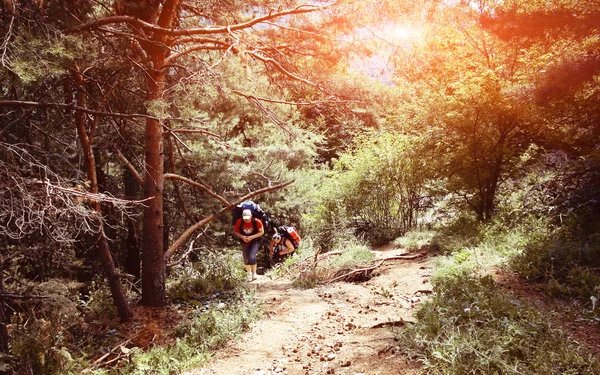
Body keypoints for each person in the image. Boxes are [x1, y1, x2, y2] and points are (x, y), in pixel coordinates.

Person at [233, 209, 264, 281]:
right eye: (245, 219)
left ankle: (254, 273)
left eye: (248, 218)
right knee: (246, 258)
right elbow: (236, 231)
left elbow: (261, 232)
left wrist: (251, 237)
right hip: (244, 241)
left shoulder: (257, 221)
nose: (246, 220)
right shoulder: (239, 222)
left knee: (252, 257)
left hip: (254, 241)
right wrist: (243, 237)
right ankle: (249, 274)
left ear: (251, 216)